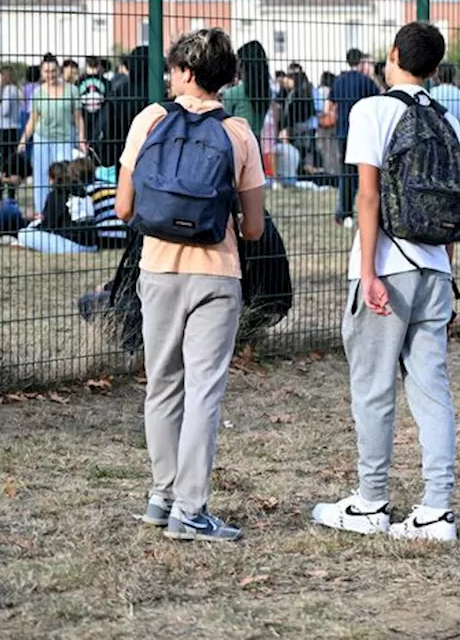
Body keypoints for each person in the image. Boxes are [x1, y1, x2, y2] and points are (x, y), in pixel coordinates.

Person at [311, 21, 460, 543]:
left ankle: (371, 500)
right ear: (436, 68)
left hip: (387, 265)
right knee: (431, 389)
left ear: (393, 55)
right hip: (435, 270)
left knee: (373, 386)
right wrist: (445, 267)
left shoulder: (371, 111)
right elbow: (451, 204)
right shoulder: (449, 121)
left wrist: (369, 270)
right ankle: (436, 509)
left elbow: (368, 197)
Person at [115, 28, 266, 543]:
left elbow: (124, 207)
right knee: (204, 391)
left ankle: (162, 495)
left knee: (162, 384)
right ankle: (192, 509)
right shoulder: (239, 134)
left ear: (184, 72)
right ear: (225, 77)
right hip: (216, 273)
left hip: (158, 269)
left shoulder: (149, 120)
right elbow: (253, 228)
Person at [19, 53, 85, 214]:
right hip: (43, 139)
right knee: (41, 177)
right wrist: (22, 141)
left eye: (53, 71)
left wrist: (82, 139)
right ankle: (42, 212)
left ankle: (65, 210)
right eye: (46, 72)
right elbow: (33, 120)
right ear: (41, 73)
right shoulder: (38, 93)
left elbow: (78, 118)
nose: (50, 75)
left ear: (59, 71)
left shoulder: (72, 90)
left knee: (65, 176)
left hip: (64, 138)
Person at [332, 48, 380, 228]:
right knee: (364, 173)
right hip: (362, 132)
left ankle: (344, 212)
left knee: (346, 173)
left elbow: (331, 106)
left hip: (342, 132)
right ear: (360, 62)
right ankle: (365, 212)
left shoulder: (339, 81)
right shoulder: (366, 81)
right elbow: (378, 99)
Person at [14, 161, 98, 254]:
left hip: (73, 245)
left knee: (23, 233)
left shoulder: (56, 194)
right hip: (92, 245)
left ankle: (22, 243)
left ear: (53, 178)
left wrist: (36, 225)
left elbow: (48, 226)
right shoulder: (83, 192)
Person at [77, 56, 108, 153]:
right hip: (101, 123)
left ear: (86, 65)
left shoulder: (78, 82)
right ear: (99, 65)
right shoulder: (106, 83)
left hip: (83, 121)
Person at [0, 66, 23, 165]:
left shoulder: (8, 90)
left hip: (5, 129)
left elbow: (4, 111)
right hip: (13, 127)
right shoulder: (16, 89)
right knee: (10, 156)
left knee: (0, 157)